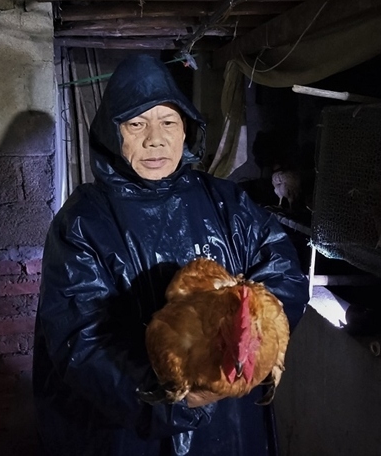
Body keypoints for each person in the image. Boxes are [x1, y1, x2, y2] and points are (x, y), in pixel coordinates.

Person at [33, 54, 309, 456]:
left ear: (186, 131)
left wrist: (247, 348)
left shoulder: (227, 202)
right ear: (113, 134)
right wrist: (174, 396)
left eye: (168, 122)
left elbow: (283, 274)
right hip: (131, 428)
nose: (154, 139)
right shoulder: (83, 223)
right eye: (136, 123)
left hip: (231, 425)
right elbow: (82, 341)